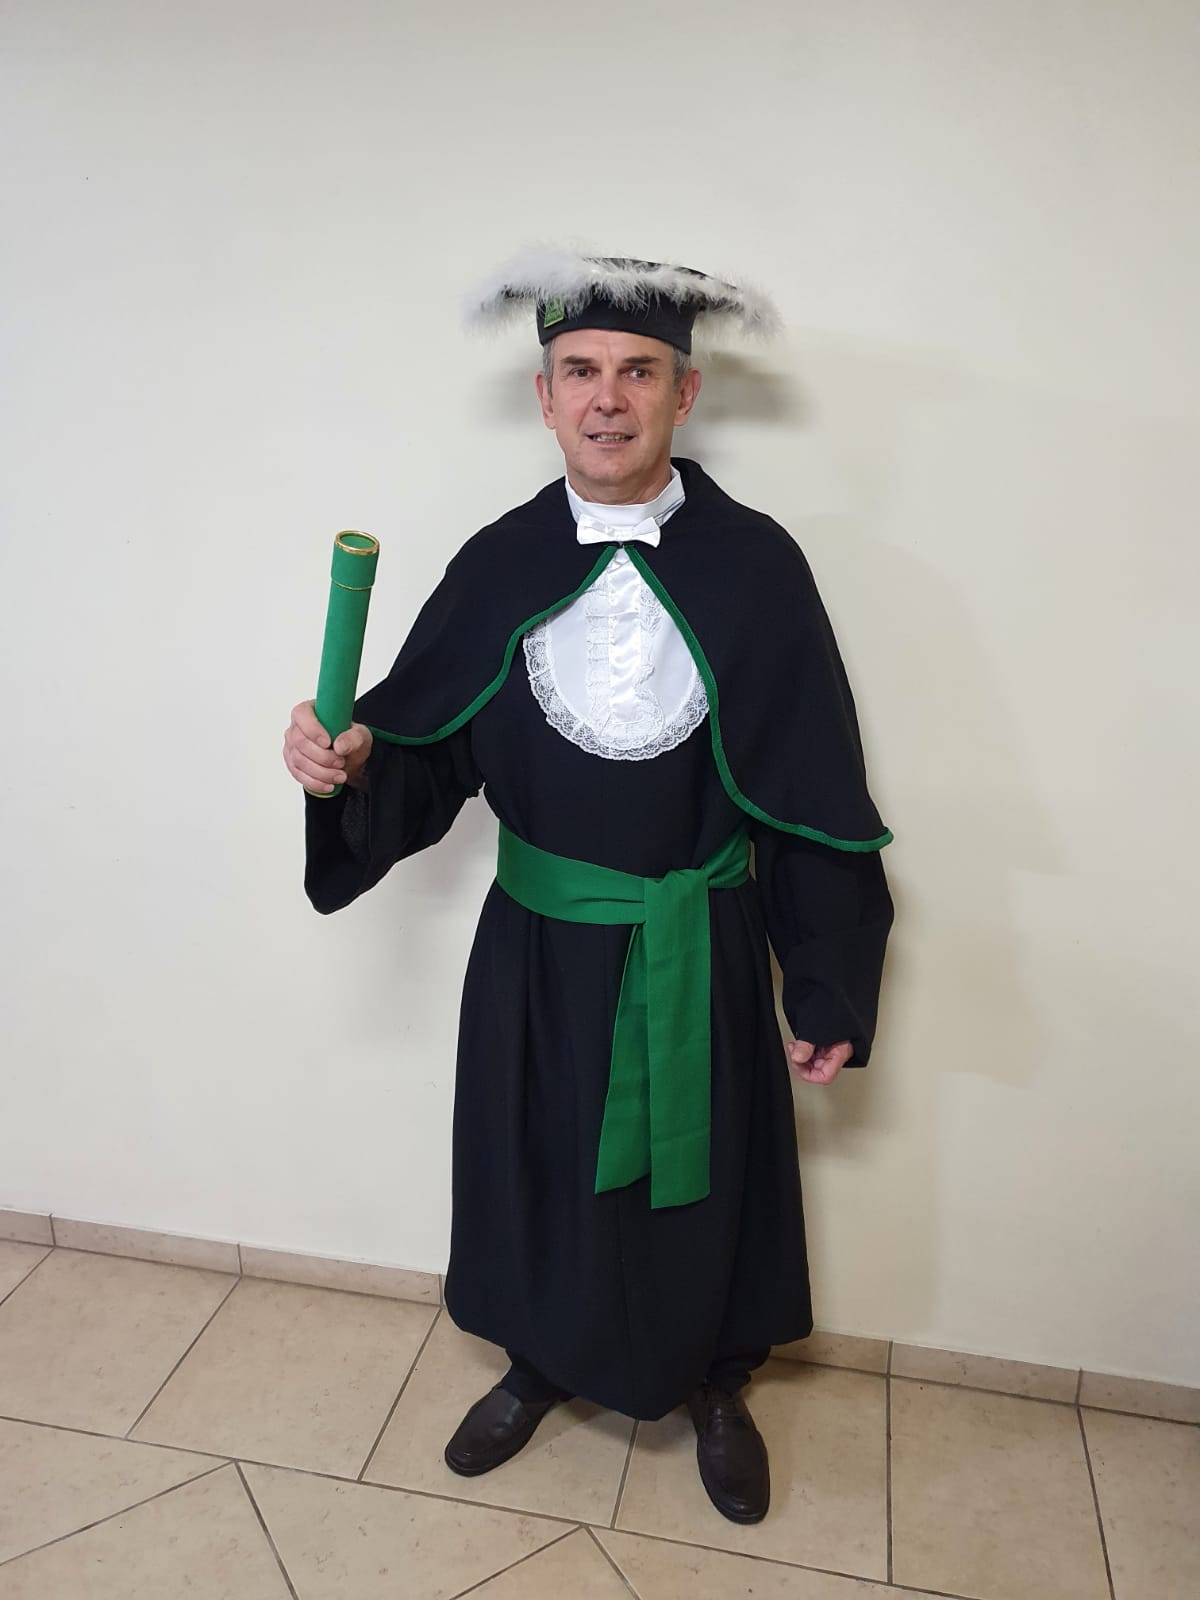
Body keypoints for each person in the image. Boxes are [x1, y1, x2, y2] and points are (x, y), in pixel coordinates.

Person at [283, 249, 894, 1525]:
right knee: (542, 1163)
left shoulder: (759, 567)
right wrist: (347, 765)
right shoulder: (499, 562)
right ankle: (541, 1361)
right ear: (545, 397)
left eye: (638, 371)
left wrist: (826, 975)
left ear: (685, 393)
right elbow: (423, 751)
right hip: (539, 949)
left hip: (702, 938)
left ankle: (716, 1381)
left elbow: (810, 791)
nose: (607, 397)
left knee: (706, 1178)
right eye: (580, 372)